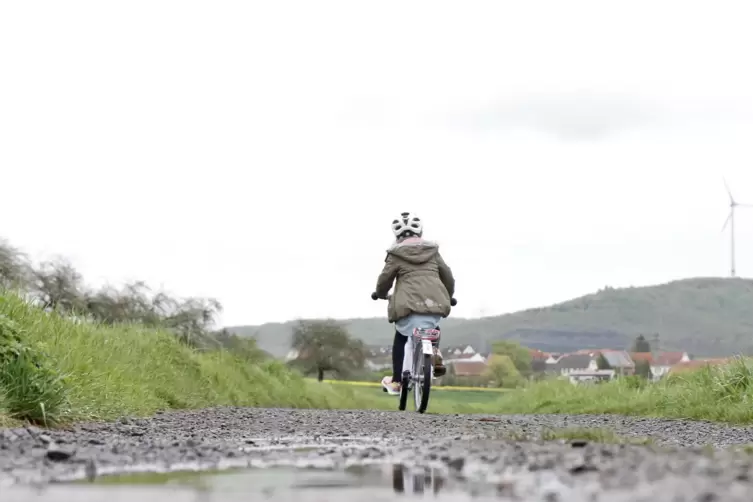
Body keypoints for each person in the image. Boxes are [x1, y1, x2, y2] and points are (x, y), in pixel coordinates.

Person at [373, 212, 455, 395]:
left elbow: (385, 279)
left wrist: (380, 293)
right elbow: (448, 276)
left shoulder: (396, 254)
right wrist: (449, 295)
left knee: (400, 338)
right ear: (420, 232)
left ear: (397, 235)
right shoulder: (433, 252)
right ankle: (434, 352)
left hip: (407, 306)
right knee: (433, 326)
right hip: (434, 301)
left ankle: (396, 381)